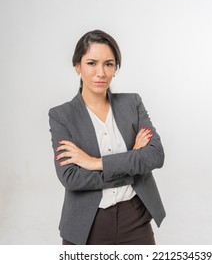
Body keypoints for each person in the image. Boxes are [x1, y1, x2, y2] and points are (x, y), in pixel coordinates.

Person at [48, 29, 165, 245]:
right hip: (88, 224)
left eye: (109, 64)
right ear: (77, 66)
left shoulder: (133, 104)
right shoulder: (62, 116)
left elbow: (156, 156)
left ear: (115, 68)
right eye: (92, 63)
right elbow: (72, 178)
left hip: (135, 219)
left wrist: (94, 163)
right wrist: (132, 163)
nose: (101, 72)